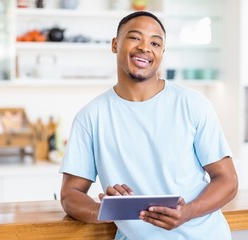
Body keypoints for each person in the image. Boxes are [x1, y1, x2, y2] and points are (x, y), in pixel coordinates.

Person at [59, 11, 238, 240]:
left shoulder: (192, 104)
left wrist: (187, 212)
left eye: (155, 42)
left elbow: (228, 181)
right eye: (135, 37)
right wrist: (106, 210)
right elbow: (70, 194)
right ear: (115, 44)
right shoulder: (91, 116)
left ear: (162, 53)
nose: (145, 47)